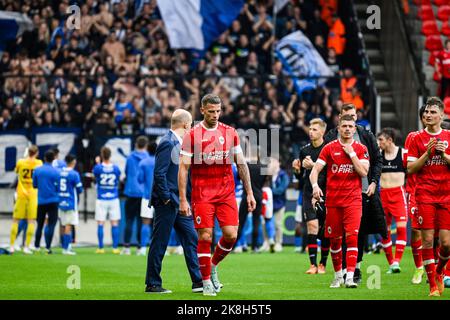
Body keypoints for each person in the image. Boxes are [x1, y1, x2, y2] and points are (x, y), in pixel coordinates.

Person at [179, 94, 256, 296]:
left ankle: (212, 266)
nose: (215, 115)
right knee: (205, 235)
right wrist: (183, 198)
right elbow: (183, 169)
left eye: (218, 111)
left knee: (231, 235)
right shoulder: (193, 135)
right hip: (202, 193)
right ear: (202, 110)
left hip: (226, 193)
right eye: (211, 111)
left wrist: (249, 193)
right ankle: (205, 282)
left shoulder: (230, 133)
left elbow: (241, 163)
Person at [323, 103, 386, 284]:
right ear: (340, 118)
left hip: (364, 190)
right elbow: (324, 164)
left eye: (352, 115)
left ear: (356, 117)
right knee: (337, 235)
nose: (350, 120)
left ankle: (354, 269)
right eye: (346, 116)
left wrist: (374, 182)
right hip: (335, 194)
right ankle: (342, 271)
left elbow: (378, 161)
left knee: (357, 232)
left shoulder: (367, 136)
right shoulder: (330, 138)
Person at [145, 109, 202, 294]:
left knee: (191, 238)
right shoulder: (167, 143)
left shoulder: (178, 144)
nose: (192, 127)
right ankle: (153, 284)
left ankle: (198, 281)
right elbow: (159, 174)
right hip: (168, 201)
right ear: (186, 124)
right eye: (191, 124)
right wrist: (167, 198)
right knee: (160, 242)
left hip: (179, 201)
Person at [310, 114, 370, 288]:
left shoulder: (360, 149)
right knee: (335, 240)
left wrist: (351, 154)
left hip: (353, 201)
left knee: (352, 237)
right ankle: (337, 276)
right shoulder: (329, 148)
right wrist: (315, 186)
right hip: (333, 202)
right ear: (338, 128)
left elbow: (364, 172)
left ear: (355, 128)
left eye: (351, 126)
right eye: (344, 126)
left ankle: (349, 277)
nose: (347, 129)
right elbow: (315, 170)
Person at [407, 96, 450, 297]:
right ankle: (432, 285)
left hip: (447, 195)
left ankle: (440, 270)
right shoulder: (416, 138)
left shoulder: (449, 136)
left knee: (447, 243)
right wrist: (428, 153)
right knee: (427, 241)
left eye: (433, 112)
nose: (428, 115)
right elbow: (410, 169)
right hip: (425, 194)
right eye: (426, 112)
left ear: (442, 114)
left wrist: (443, 155)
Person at [293, 118, 330, 274]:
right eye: (310, 128)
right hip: (309, 193)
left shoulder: (329, 149)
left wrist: (312, 165)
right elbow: (301, 177)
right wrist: (297, 171)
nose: (311, 131)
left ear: (322, 132)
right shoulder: (304, 151)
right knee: (312, 227)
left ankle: (323, 263)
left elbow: (331, 171)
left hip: (327, 193)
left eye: (315, 129)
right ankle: (313, 265)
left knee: (327, 230)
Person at [377, 128, 408, 273]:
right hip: (383, 195)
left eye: (381, 140)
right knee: (385, 231)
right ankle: (391, 264)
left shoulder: (403, 154)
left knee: (402, 228)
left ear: (390, 140)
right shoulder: (378, 155)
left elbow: (413, 172)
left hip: (398, 194)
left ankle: (397, 261)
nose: (379, 143)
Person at [404, 104, 427, 284]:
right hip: (415, 191)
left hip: (437, 191)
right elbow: (408, 165)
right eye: (425, 113)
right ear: (422, 118)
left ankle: (435, 269)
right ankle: (420, 268)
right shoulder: (413, 138)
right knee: (417, 232)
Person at [9, 145, 42, 254]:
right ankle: (26, 247)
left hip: (21, 194)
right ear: (36, 153)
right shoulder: (39, 163)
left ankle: (12, 246)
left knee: (15, 220)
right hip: (33, 194)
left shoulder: (20, 162)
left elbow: (16, 172)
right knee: (31, 221)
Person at [122, 136, 150, 255]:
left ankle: (127, 247)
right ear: (146, 145)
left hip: (130, 192)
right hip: (143, 193)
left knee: (129, 220)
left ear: (136, 144)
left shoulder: (129, 158)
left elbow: (127, 173)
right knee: (141, 221)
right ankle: (140, 246)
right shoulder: (148, 158)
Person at [93, 147, 122, 254]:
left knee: (100, 223)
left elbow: (95, 177)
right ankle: (115, 248)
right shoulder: (115, 168)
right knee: (114, 223)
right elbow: (118, 178)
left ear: (101, 155)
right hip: (113, 198)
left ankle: (101, 248)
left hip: (101, 198)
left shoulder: (98, 168)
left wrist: (97, 163)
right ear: (110, 155)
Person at [32, 150, 60, 254]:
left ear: (44, 158)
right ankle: (48, 247)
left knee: (39, 224)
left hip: (41, 201)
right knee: (51, 224)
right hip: (53, 200)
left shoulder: (37, 170)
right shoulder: (56, 171)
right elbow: (58, 187)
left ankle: (36, 246)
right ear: (53, 159)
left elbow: (34, 185)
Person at [58, 154, 83, 255]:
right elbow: (79, 189)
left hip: (60, 201)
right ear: (74, 162)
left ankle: (65, 245)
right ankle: (66, 248)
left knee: (63, 224)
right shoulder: (74, 174)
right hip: (70, 202)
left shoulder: (59, 172)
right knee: (68, 225)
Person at [136, 141, 156, 256]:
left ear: (148, 150)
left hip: (147, 197)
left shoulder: (143, 162)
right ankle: (166, 248)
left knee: (145, 223)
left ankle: (143, 248)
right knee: (162, 224)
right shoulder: (161, 161)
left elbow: (139, 179)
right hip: (160, 197)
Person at [271, 158, 290, 252]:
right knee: (265, 224)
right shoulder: (268, 175)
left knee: (278, 224)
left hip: (280, 203)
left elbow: (281, 189)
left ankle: (278, 243)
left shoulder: (283, 175)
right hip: (269, 203)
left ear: (279, 163)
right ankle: (267, 242)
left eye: (273, 161)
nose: (271, 164)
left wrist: (270, 192)